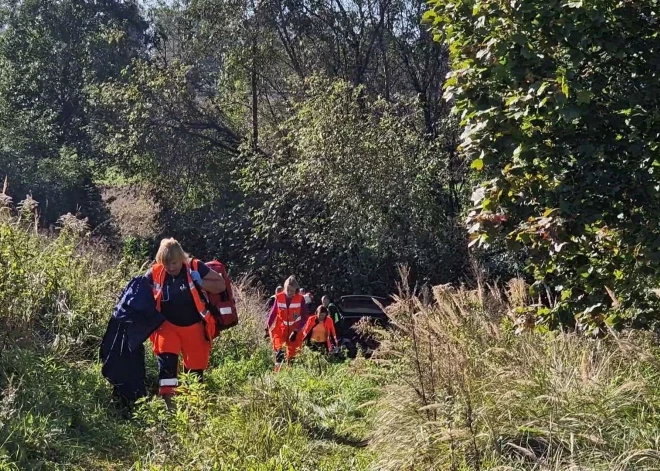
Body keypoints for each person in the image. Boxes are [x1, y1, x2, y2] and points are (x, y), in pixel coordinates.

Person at [146, 238, 225, 407]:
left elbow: (221, 285)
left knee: (195, 371)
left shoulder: (195, 267)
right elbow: (138, 290)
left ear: (181, 258)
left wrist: (201, 282)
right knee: (166, 367)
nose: (170, 267)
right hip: (167, 327)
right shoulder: (156, 272)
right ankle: (171, 410)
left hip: (194, 326)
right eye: (166, 264)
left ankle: (194, 409)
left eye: (174, 263)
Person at [267, 276, 308, 371]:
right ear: (284, 288)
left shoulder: (300, 299)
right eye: (288, 290)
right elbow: (273, 313)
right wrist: (267, 327)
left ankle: (291, 375)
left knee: (293, 356)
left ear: (296, 290)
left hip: (295, 331)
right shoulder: (279, 297)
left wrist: (296, 330)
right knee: (279, 354)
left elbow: (305, 317)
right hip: (281, 330)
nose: (289, 293)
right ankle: (277, 376)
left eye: (292, 291)